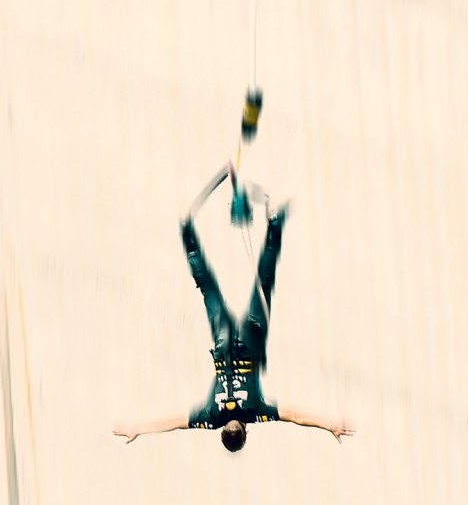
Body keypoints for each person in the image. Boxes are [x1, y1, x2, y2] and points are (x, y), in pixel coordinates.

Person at [114, 165, 352, 450]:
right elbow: (175, 421)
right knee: (208, 289)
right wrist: (137, 428)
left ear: (246, 433)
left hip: (250, 340)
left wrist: (330, 424)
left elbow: (294, 415)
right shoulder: (211, 417)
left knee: (264, 283)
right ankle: (187, 231)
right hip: (223, 341)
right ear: (223, 432)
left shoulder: (255, 412)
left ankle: (274, 223)